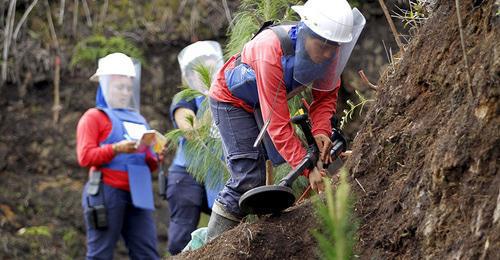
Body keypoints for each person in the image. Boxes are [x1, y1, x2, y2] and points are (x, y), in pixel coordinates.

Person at [206, 0, 366, 240]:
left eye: (335, 46)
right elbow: (278, 125)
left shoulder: (330, 53)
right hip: (231, 101)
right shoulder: (270, 51)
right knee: (248, 178)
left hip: (264, 102)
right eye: (322, 45)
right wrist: (308, 169)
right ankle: (214, 246)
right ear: (304, 31)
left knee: (281, 159)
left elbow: (325, 98)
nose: (328, 53)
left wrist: (321, 129)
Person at [76, 52, 160, 259]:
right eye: (119, 87)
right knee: (100, 254)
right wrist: (115, 148)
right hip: (107, 191)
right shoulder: (94, 117)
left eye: (128, 88)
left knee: (147, 254)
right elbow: (85, 157)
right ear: (104, 87)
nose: (125, 93)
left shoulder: (139, 119)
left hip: (139, 192)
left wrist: (157, 153)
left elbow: (150, 163)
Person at [165, 41, 225, 255]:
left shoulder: (230, 93)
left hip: (220, 169)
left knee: (224, 233)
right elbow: (191, 132)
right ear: (189, 75)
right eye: (200, 70)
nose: (206, 73)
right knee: (181, 236)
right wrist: (211, 103)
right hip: (187, 174)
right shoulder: (185, 99)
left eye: (211, 67)